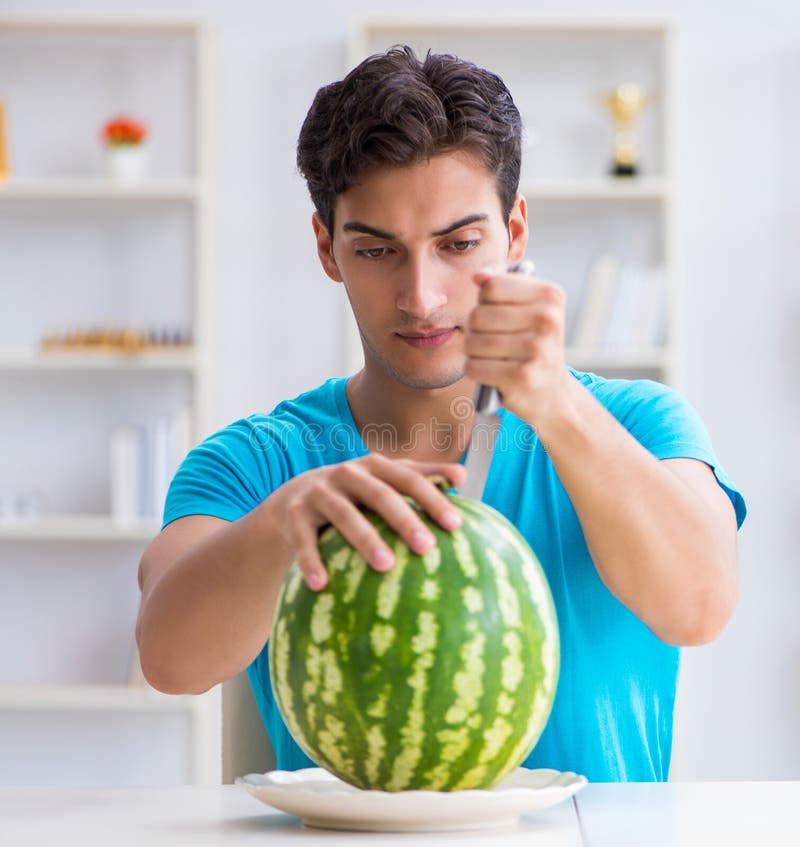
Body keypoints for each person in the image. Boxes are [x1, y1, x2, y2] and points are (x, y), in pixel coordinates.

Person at [135, 46, 746, 783]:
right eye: (376, 250)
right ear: (327, 247)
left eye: (458, 244)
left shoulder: (638, 422)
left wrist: (555, 403)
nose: (421, 295)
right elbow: (168, 660)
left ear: (514, 234)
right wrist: (285, 516)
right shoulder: (259, 461)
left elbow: (701, 608)